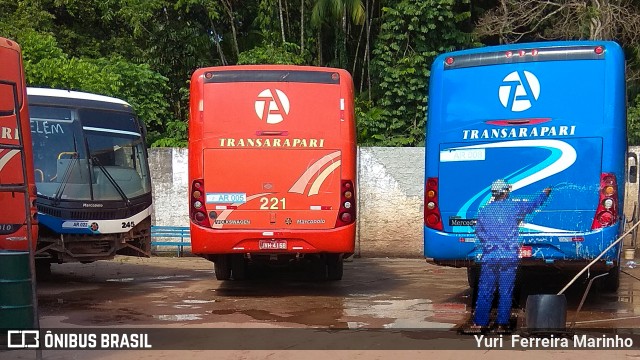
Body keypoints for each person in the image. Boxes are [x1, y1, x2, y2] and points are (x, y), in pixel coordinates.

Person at [463, 179, 552, 334]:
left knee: (485, 290)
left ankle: (480, 323)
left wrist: (490, 245)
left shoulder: (484, 211)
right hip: (509, 258)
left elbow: (479, 232)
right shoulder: (514, 207)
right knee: (505, 291)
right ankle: (501, 324)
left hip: (490, 258)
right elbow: (532, 205)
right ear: (505, 192)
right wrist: (544, 194)